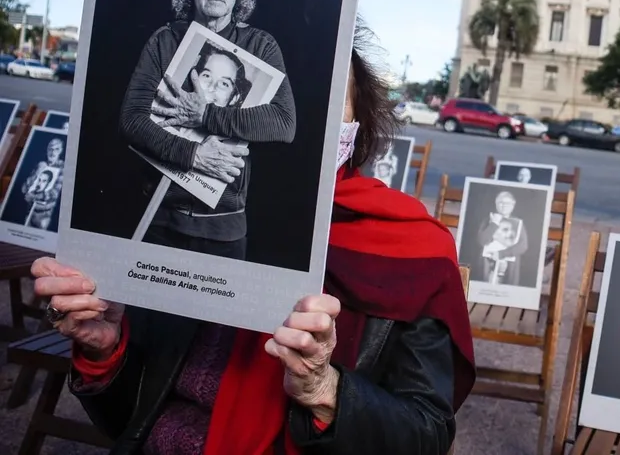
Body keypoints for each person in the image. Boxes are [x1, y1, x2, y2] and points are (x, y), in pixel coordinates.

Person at [31, 24, 476, 455]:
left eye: (330, 102)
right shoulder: (195, 223)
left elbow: (427, 434)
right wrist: (105, 349)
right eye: (296, 101)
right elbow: (126, 421)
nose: (309, 123)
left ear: (359, 124)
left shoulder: (414, 250)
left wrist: (325, 390)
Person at [120, 0, 297, 262]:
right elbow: (131, 120)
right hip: (158, 219)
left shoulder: (261, 46)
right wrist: (193, 154)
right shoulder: (165, 40)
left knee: (213, 317)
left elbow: (284, 123)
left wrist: (206, 115)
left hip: (223, 227)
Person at [476, 191, 529, 285]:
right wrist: (494, 224)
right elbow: (482, 241)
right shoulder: (487, 220)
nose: (504, 205)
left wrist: (501, 254)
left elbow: (523, 246)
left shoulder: (518, 224)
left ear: (513, 205)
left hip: (509, 268)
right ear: (496, 204)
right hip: (488, 266)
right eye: (501, 202)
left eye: (507, 203)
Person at [20, 136, 65, 231]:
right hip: (30, 211)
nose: (52, 152)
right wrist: (36, 173)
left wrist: (33, 197)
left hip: (45, 215)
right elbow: (24, 188)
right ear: (47, 150)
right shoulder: (41, 164)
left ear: (61, 150)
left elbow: (54, 193)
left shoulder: (63, 167)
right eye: (50, 149)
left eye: (56, 149)